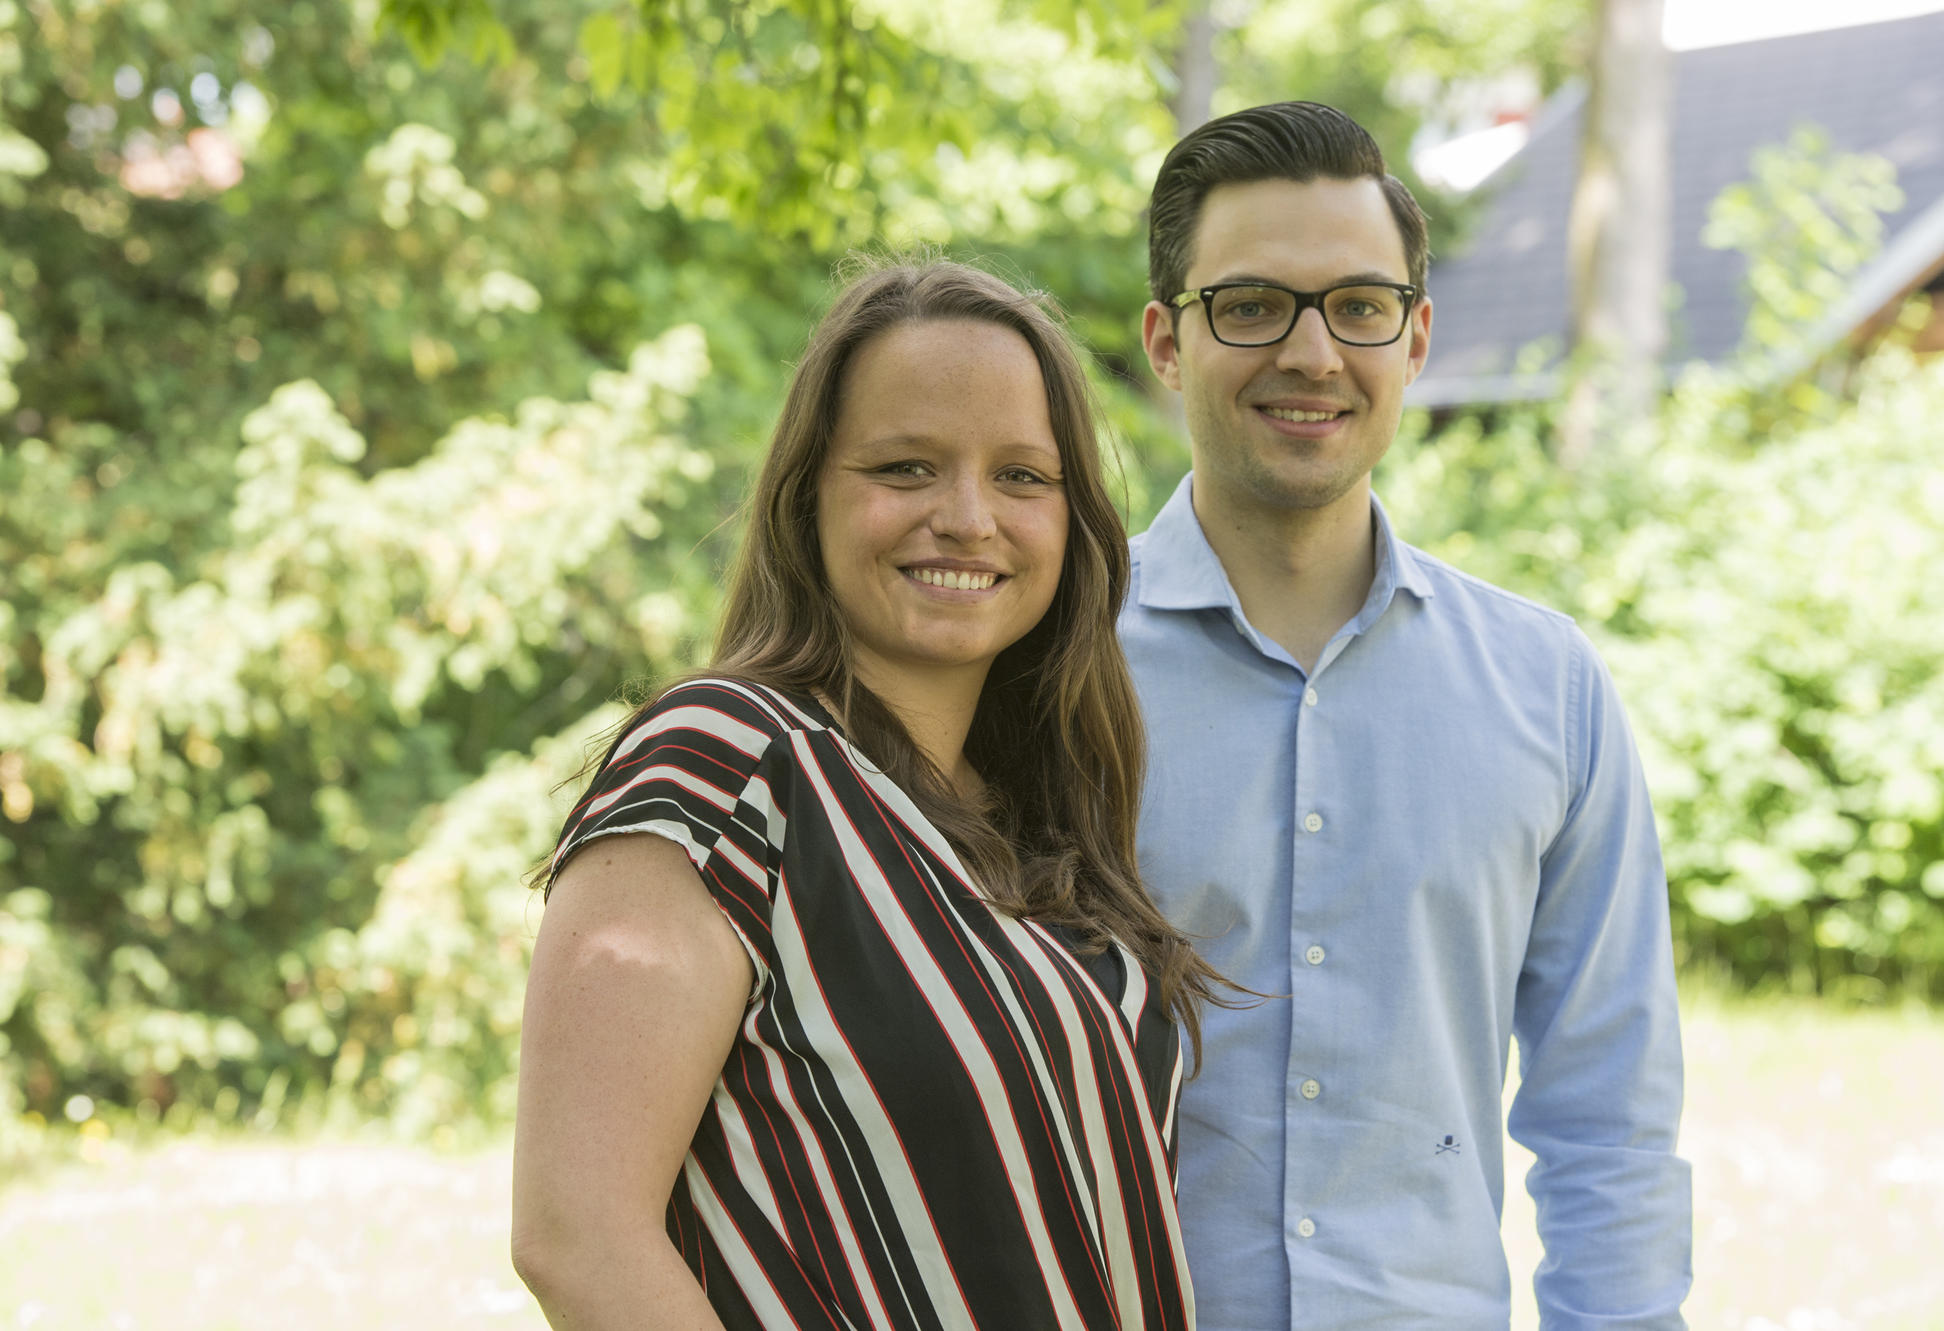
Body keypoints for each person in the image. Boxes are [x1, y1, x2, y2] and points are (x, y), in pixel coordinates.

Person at [511, 258, 1228, 1330]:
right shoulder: (726, 764)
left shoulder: (1032, 819)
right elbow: (577, 1238)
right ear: (807, 496)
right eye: (905, 467)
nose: (968, 517)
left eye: (1022, 476)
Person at [1121, 102, 1693, 1328]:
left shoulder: (1545, 687)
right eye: (1250, 305)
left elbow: (1609, 1117)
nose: (1311, 352)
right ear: (1167, 341)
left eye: (1358, 306)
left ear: (1416, 336)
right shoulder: (1042, 669)